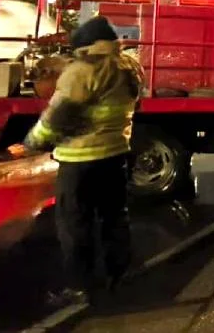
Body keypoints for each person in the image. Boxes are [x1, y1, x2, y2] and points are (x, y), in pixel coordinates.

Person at [24, 16, 142, 306]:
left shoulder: (82, 71)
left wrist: (34, 141)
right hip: (115, 154)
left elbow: (58, 115)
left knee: (75, 225)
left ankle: (80, 287)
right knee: (115, 218)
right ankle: (120, 275)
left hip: (80, 161)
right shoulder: (130, 66)